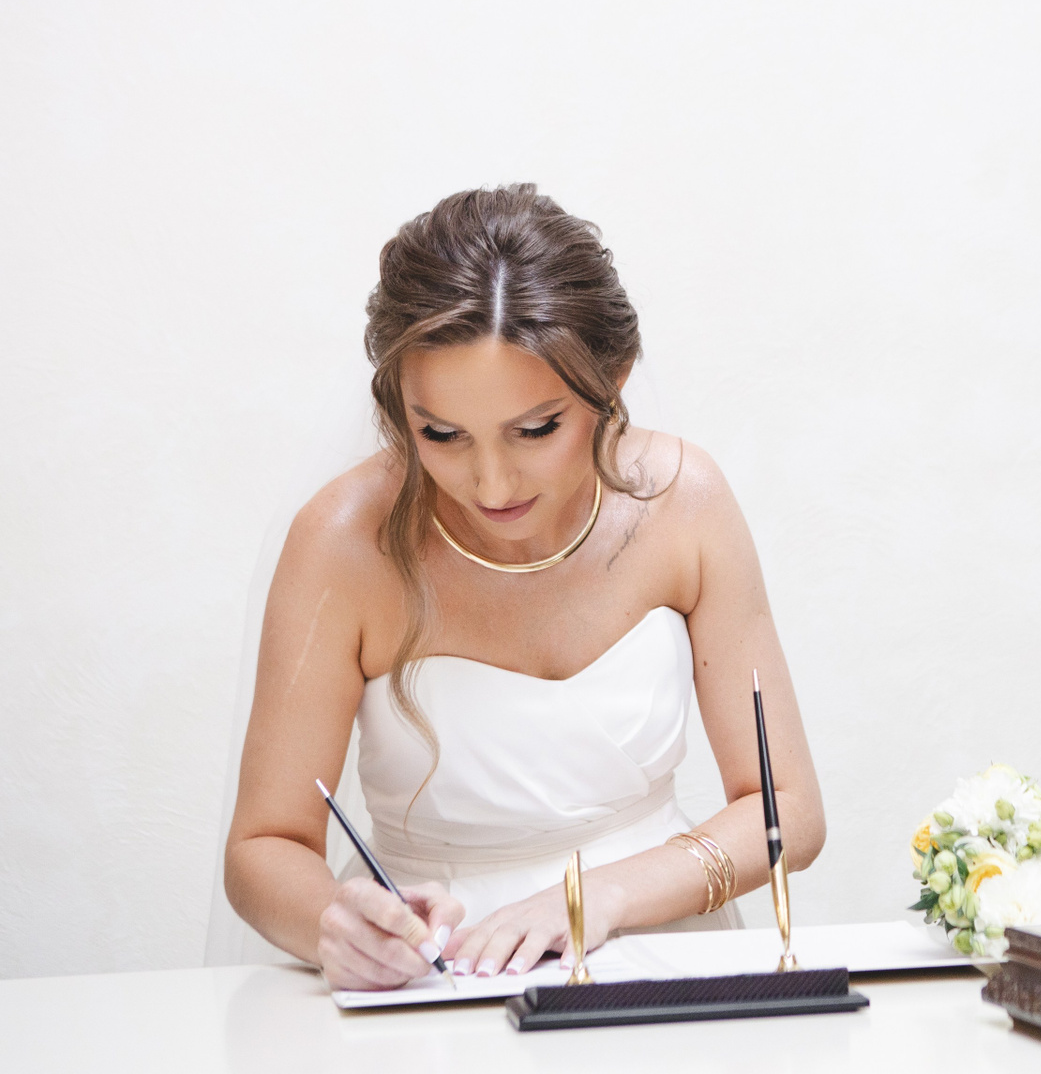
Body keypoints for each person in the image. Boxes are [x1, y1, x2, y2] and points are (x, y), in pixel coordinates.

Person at [224, 185, 825, 989]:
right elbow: (264, 846)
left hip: (662, 946)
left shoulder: (685, 503)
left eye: (536, 429)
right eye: (441, 434)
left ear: (613, 379)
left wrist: (599, 896)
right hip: (439, 974)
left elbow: (789, 809)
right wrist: (337, 924)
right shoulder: (341, 543)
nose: (492, 482)